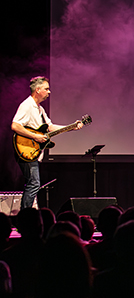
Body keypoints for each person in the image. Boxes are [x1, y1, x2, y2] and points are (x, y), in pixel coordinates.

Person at [11, 76, 83, 210]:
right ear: (38, 90)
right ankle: (25, 217)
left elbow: (50, 127)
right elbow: (15, 126)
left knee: (33, 183)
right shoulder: (27, 105)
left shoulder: (39, 109)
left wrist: (71, 127)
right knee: (33, 183)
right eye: (46, 89)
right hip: (26, 149)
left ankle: (26, 216)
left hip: (33, 151)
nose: (49, 92)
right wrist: (35, 136)